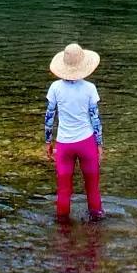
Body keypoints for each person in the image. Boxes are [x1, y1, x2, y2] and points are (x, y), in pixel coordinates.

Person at [42, 41, 103, 221]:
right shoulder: (90, 88)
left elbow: (49, 117)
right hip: (86, 142)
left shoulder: (55, 88)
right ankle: (97, 230)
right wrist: (99, 145)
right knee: (92, 188)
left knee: (63, 190)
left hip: (64, 144)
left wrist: (48, 142)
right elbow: (95, 119)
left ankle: (62, 231)